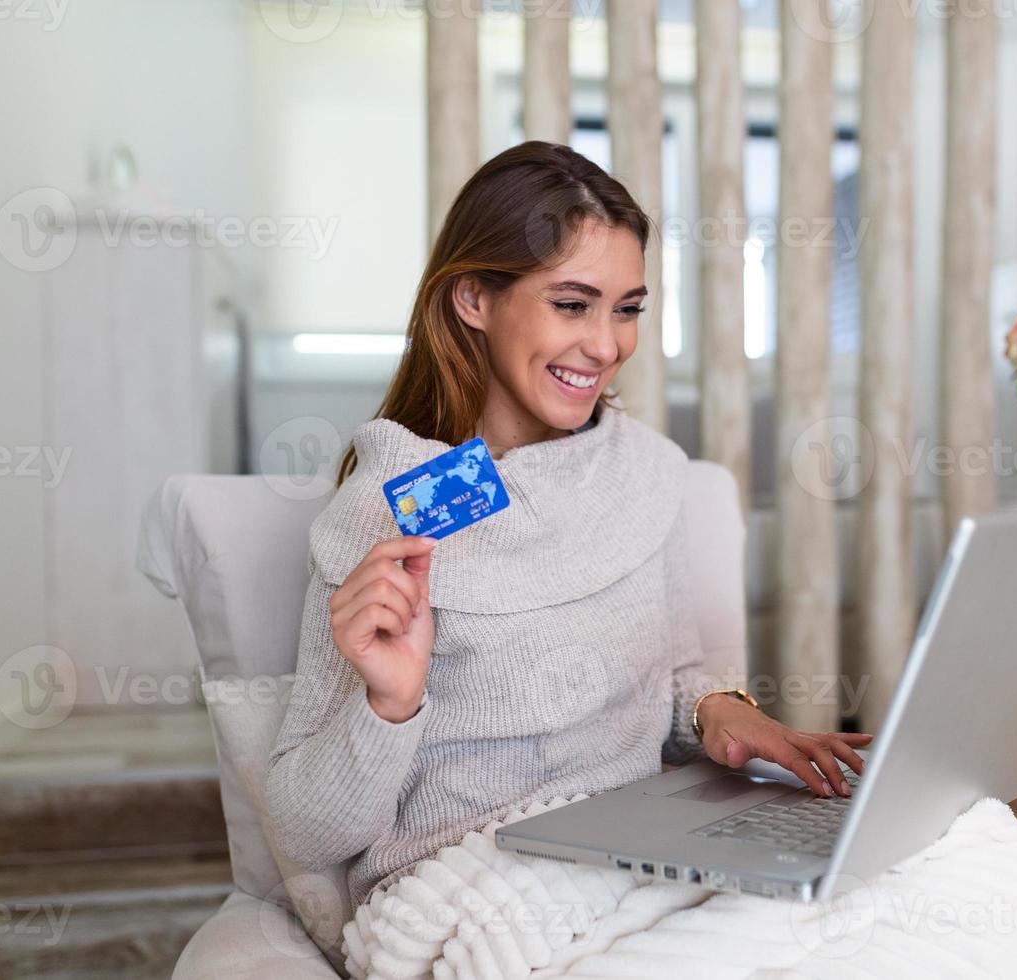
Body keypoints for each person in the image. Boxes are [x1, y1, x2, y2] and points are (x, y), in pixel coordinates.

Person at [265, 141, 872, 910]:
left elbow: (674, 671)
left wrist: (723, 715)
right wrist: (389, 707)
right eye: (572, 303)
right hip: (468, 884)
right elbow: (305, 837)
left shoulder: (646, 472)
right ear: (474, 300)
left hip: (641, 849)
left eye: (627, 310)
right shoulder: (390, 509)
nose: (606, 344)